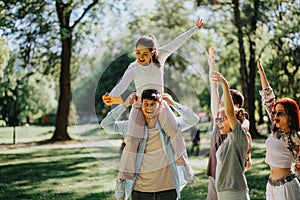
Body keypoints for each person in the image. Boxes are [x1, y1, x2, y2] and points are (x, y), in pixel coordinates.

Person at [102, 18, 204, 199]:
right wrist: (111, 95)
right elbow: (123, 84)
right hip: (140, 105)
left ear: (153, 52)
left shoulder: (160, 59)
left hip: (160, 104)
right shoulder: (133, 67)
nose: (140, 57)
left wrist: (193, 30)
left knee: (174, 131)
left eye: (144, 53)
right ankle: (121, 180)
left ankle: (185, 165)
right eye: (137, 53)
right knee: (132, 141)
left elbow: (176, 43)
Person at [100, 89, 199, 200]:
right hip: (140, 190)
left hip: (167, 188)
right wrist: (125, 104)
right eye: (146, 104)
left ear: (160, 105)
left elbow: (193, 119)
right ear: (141, 105)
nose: (149, 107)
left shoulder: (171, 125)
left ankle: (186, 166)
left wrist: (172, 103)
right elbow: (106, 124)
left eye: (153, 104)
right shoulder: (131, 127)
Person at [206, 48, 252, 200]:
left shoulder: (241, 125)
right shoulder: (219, 119)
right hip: (216, 175)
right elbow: (214, 91)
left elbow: (242, 128)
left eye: (225, 103)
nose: (221, 105)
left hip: (231, 181)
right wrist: (211, 65)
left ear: (235, 105)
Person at [257, 59, 300, 200]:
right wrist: (261, 72)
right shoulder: (276, 131)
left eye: (280, 113)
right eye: (274, 112)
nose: (275, 115)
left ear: (290, 116)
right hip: (271, 186)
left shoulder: (295, 136)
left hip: (287, 188)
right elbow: (268, 97)